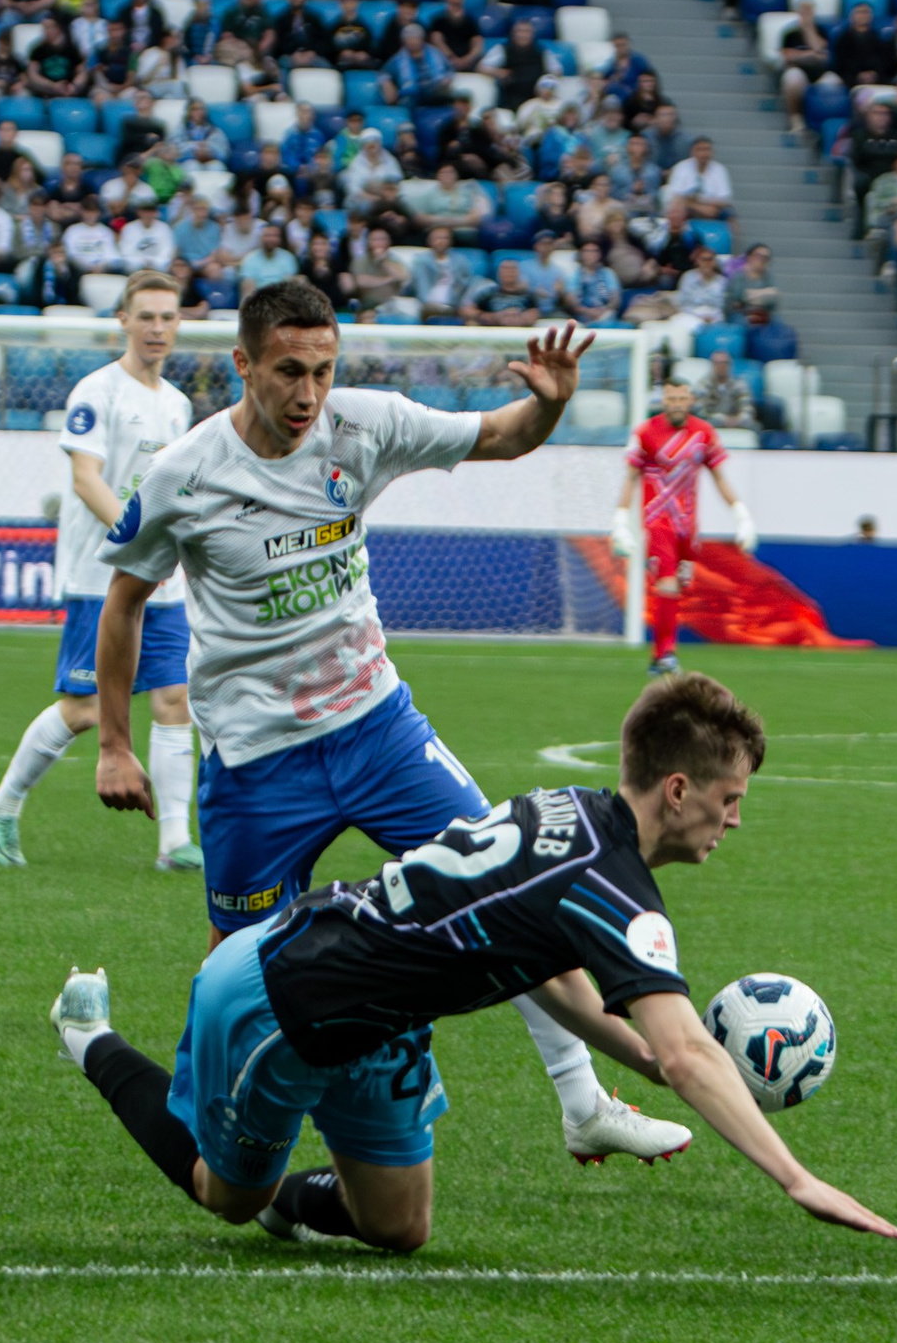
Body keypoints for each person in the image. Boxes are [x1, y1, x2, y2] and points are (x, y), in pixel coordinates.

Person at [89, 280, 691, 1164]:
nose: (307, 394)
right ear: (242, 365)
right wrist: (112, 742)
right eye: (288, 371)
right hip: (257, 764)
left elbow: (502, 435)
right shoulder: (185, 472)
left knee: (512, 885)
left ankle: (582, 1100)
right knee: (239, 966)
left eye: (323, 371)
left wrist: (549, 404)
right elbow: (124, 602)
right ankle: (215, 1125)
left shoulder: (365, 425)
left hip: (378, 729)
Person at [47, 672, 897, 1249]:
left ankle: (277, 1183)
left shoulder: (574, 813)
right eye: (730, 799)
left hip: (376, 1013)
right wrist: (797, 1180)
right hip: (288, 996)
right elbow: (687, 1052)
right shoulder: (618, 891)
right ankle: (92, 1038)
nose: (735, 820)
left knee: (399, 1228)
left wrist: (640, 1056)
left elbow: (549, 972)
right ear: (678, 790)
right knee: (220, 1196)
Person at [0, 272, 202, 871]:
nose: (157, 328)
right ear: (123, 322)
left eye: (167, 317)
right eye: (146, 317)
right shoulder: (96, 392)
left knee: (176, 699)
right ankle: (3, 803)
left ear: (179, 324)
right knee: (85, 711)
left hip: (163, 580)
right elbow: (86, 478)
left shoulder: (178, 404)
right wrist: (138, 541)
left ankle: (174, 842)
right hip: (99, 575)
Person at [612, 378, 758, 677]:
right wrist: (620, 519)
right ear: (663, 400)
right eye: (671, 398)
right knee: (666, 582)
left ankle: (658, 656)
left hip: (687, 526)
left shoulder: (703, 433)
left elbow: (719, 476)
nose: (676, 403)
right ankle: (666, 653)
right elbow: (630, 476)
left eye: (681, 398)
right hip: (657, 520)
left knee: (677, 587)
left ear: (690, 400)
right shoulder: (645, 433)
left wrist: (741, 514)